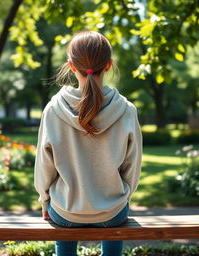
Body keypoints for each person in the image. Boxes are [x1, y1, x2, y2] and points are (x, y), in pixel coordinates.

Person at [34, 30, 142, 256]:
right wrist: (123, 198)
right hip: (113, 213)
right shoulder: (126, 110)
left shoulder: (53, 110)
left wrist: (45, 202)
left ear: (72, 66)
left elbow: (45, 166)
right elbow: (132, 167)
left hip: (65, 211)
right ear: (109, 65)